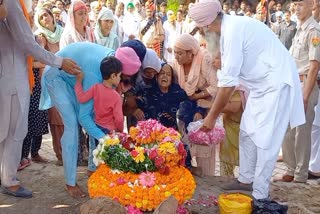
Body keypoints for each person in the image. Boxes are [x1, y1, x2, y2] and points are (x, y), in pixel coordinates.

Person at [189, 0, 305, 201]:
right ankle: (245, 180)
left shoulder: (233, 31)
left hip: (276, 84)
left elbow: (228, 84)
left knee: (267, 140)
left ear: (207, 24)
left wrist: (211, 118)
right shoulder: (229, 30)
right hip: (261, 86)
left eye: (201, 27)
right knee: (247, 131)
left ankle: (260, 194)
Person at [0, 0, 80, 198]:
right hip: (11, 77)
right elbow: (27, 43)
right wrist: (60, 62)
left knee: (7, 129)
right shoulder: (11, 3)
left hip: (9, 74)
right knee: (14, 130)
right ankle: (9, 180)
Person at [39, 42, 141, 198]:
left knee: (97, 118)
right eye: (123, 78)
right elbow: (84, 117)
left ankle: (92, 168)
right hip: (57, 76)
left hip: (76, 79)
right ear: (115, 74)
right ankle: (70, 182)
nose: (124, 82)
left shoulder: (113, 64)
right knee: (72, 124)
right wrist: (104, 139)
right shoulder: (95, 76)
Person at [279, 0, 320, 183]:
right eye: (295, 4)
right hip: (293, 84)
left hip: (305, 86)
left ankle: (300, 175)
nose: (296, 8)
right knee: (287, 130)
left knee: (301, 132)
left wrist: (305, 96)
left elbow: (313, 67)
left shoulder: (314, 31)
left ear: (312, 6)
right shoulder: (300, 28)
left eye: (301, 4)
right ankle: (290, 168)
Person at [34, 7, 65, 166]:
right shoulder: (40, 37)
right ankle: (60, 154)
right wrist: (54, 63)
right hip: (49, 82)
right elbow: (34, 62)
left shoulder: (64, 32)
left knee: (68, 116)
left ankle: (72, 151)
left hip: (66, 79)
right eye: (40, 17)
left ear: (52, 16)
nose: (44, 18)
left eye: (46, 15)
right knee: (56, 118)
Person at [172, 33, 218, 131]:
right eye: (175, 52)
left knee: (202, 133)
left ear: (190, 53)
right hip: (187, 102)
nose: (176, 56)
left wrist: (197, 97)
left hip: (207, 100)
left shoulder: (204, 59)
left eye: (180, 53)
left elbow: (215, 86)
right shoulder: (176, 63)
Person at [75, 56, 123, 138]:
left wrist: (78, 82)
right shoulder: (116, 97)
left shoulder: (96, 88)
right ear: (113, 76)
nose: (120, 78)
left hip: (97, 127)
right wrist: (120, 130)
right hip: (110, 131)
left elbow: (81, 98)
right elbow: (119, 118)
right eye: (119, 75)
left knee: (97, 150)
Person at [137, 63, 188, 129]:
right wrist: (135, 109)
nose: (165, 76)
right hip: (151, 133)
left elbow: (187, 109)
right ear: (156, 76)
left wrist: (175, 116)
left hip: (174, 134)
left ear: (171, 79)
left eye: (168, 74)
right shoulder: (147, 92)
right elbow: (133, 104)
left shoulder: (179, 93)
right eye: (162, 73)